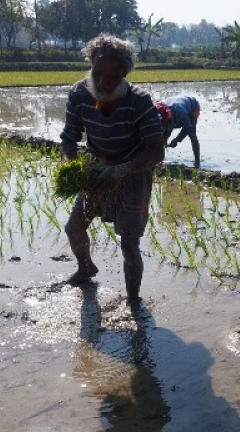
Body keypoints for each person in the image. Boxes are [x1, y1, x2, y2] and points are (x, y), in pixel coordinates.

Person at [60, 34, 165, 304]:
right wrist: (71, 168)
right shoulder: (79, 93)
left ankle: (133, 301)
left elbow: (156, 150)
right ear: (90, 67)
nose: (104, 83)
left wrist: (123, 170)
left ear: (124, 74)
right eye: (98, 74)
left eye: (113, 77)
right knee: (74, 228)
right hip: (96, 167)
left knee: (129, 243)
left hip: (133, 171)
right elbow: (69, 139)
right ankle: (86, 269)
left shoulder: (139, 102)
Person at [156, 95, 201, 167]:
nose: (164, 127)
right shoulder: (161, 112)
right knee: (164, 135)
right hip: (175, 107)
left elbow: (187, 128)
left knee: (192, 134)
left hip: (192, 107)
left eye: (166, 125)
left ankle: (197, 162)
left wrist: (177, 139)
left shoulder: (181, 113)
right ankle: (161, 159)